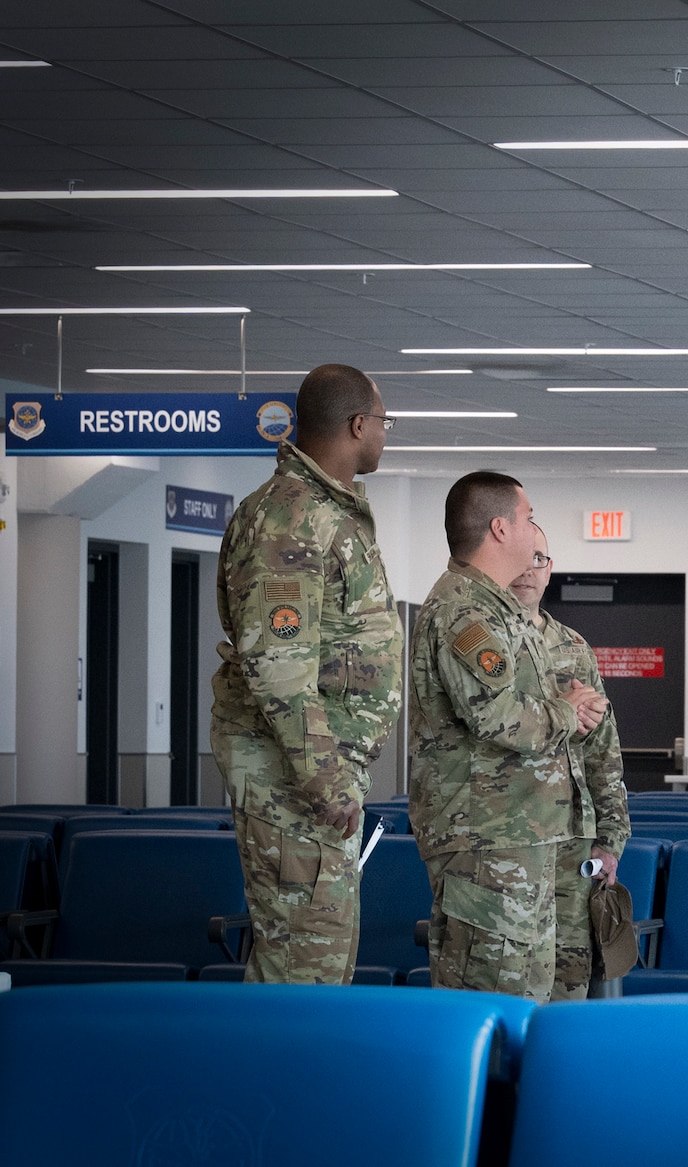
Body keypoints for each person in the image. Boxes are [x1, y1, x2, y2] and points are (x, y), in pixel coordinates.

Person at [210, 363, 402, 985]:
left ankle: (293, 1078)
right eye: (382, 421)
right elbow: (279, 667)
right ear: (355, 425)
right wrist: (327, 779)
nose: (384, 432)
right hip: (294, 781)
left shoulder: (324, 511)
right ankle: (271, 1081)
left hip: (313, 777)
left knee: (320, 951)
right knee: (300, 962)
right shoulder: (290, 520)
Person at [407, 471, 606, 1001]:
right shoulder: (465, 611)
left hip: (516, 838)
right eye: (528, 517)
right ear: (500, 528)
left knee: (532, 996)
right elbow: (495, 714)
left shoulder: (497, 609)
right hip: (484, 842)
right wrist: (566, 711)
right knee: (494, 997)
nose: (533, 527)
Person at [506, 521, 631, 1000]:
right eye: (520, 558)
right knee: (514, 982)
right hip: (514, 833)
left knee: (569, 981)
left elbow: (604, 752)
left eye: (539, 559)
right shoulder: (489, 643)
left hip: (574, 842)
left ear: (550, 569)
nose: (528, 570)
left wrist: (611, 838)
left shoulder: (575, 648)